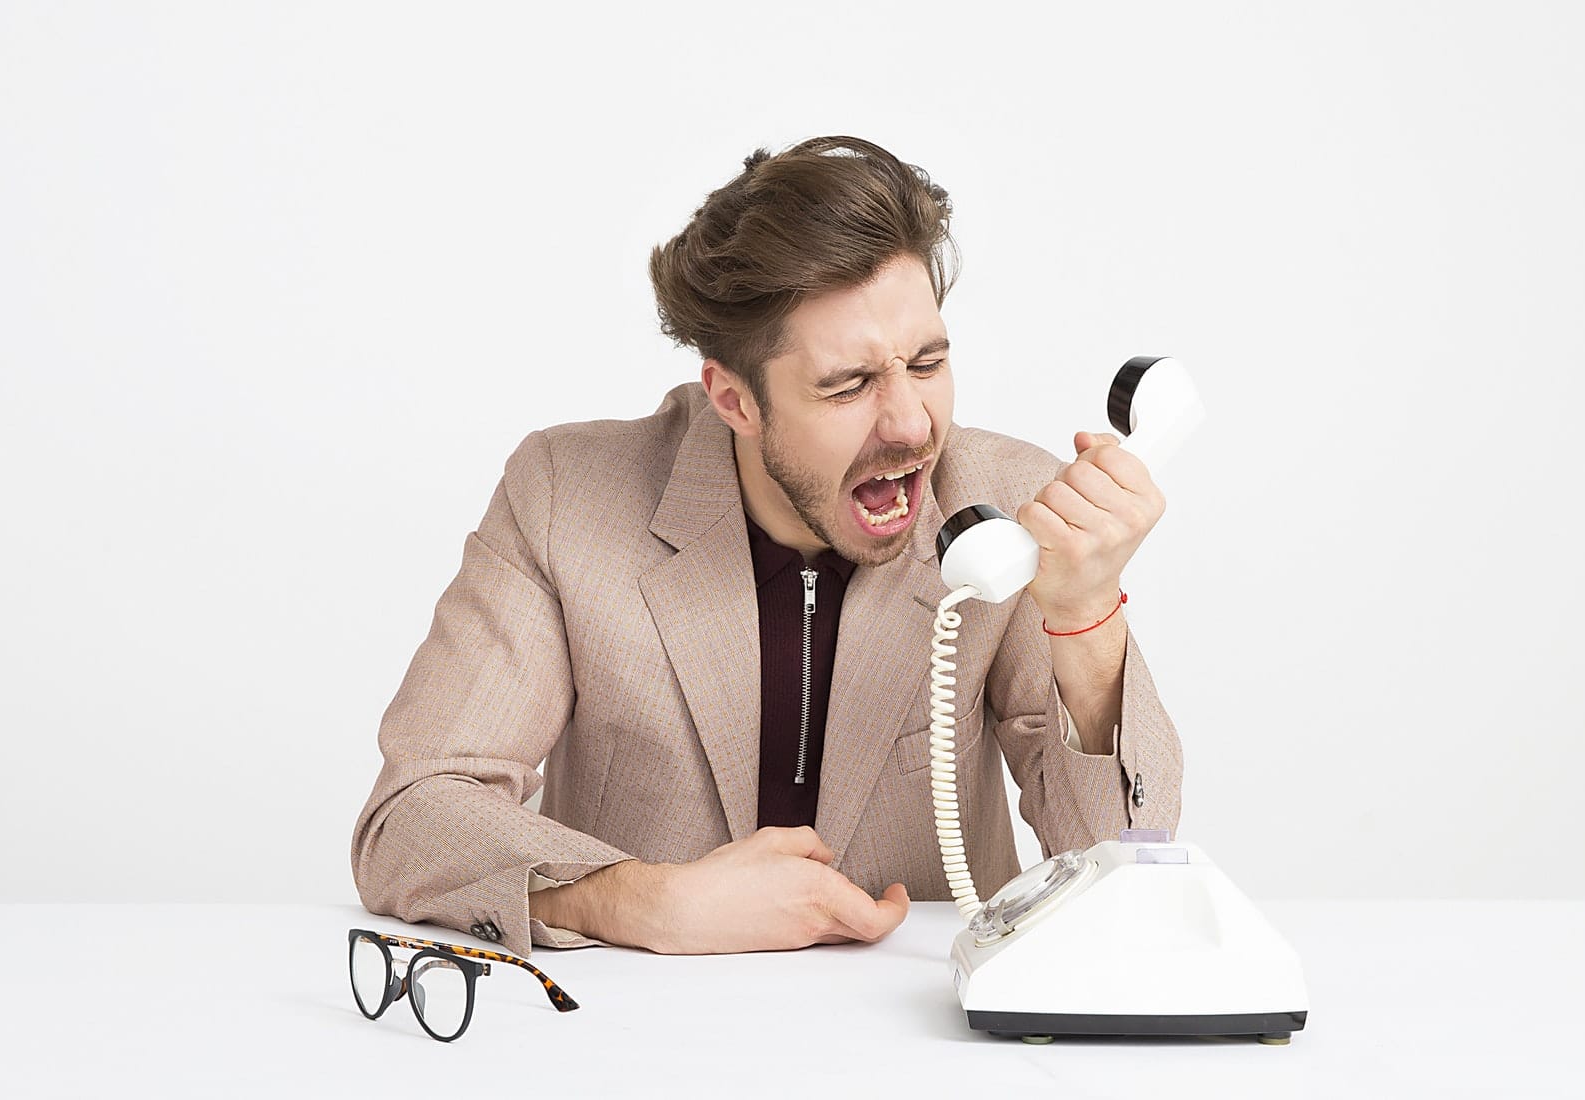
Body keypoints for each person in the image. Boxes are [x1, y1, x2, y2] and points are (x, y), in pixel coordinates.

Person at [350, 135, 1183, 958]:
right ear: (735, 400)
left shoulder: (1003, 502)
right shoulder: (565, 494)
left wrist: (1084, 618)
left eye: (927, 363)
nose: (911, 424)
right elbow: (413, 815)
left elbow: (1126, 865)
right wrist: (642, 902)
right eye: (848, 384)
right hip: (633, 1035)